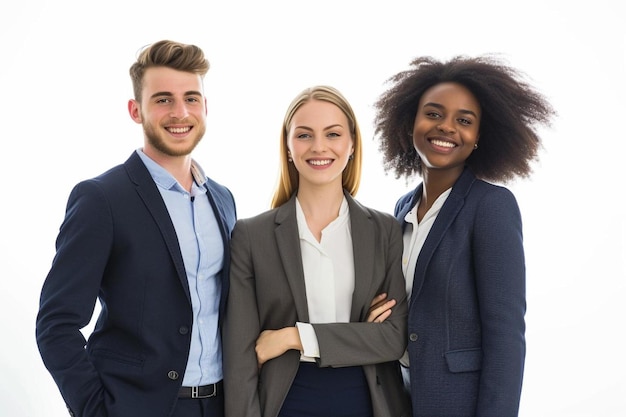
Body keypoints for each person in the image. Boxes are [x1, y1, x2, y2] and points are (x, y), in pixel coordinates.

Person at [36, 40, 237, 417]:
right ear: (136, 110)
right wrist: (98, 410)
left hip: (222, 403)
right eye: (163, 100)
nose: (180, 112)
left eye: (191, 99)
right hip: (138, 406)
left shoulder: (223, 200)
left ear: (205, 107)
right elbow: (56, 324)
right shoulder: (102, 199)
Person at [372, 55, 555, 416]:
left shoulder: (491, 206)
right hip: (398, 396)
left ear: (478, 137)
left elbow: (505, 336)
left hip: (457, 402)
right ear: (411, 122)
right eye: (434, 114)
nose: (447, 127)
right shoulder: (402, 209)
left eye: (464, 121)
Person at [222, 85, 411, 417]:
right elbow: (240, 357)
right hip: (285, 402)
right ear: (289, 147)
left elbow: (393, 339)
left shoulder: (385, 231)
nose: (319, 147)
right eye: (305, 135)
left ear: (352, 144)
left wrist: (293, 337)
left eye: (333, 134)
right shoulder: (252, 235)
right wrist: (361, 334)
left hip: (367, 401)